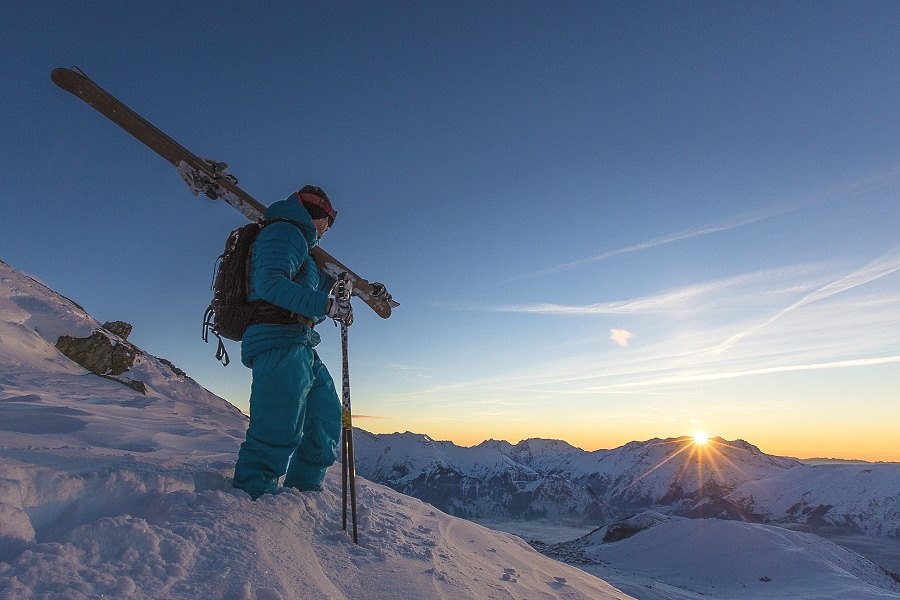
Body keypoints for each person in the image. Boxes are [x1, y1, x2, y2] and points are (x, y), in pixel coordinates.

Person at [232, 185, 353, 499]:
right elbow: (270, 283)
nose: (329, 230)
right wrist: (326, 306)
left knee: (327, 415)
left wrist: (333, 293)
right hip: (276, 339)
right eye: (330, 221)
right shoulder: (284, 231)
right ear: (320, 213)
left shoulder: (304, 247)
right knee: (277, 427)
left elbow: (304, 292)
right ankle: (251, 498)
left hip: (300, 343)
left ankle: (304, 494)